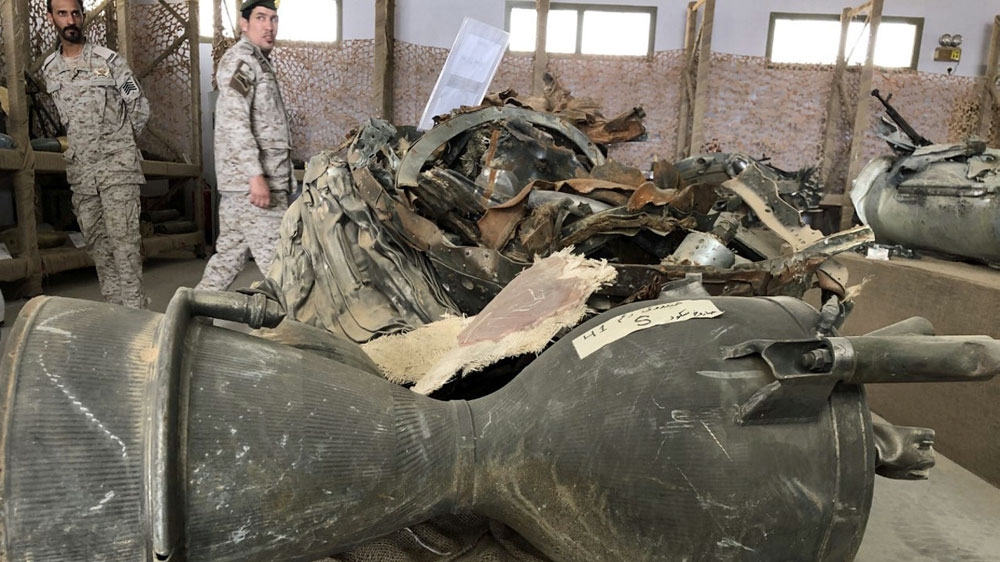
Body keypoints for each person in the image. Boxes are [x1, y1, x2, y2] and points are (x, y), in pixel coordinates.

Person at [42, 0, 150, 309]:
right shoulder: (50, 69)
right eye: (62, 14)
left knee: (125, 248)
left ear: (83, 15)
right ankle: (116, 316)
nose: (70, 20)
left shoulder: (109, 61)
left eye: (75, 13)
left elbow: (139, 108)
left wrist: (120, 146)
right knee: (99, 248)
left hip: (117, 169)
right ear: (52, 18)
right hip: (82, 175)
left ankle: (136, 320)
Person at [196, 0, 294, 292]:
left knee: (226, 262)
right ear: (244, 23)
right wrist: (255, 176)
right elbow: (234, 121)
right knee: (285, 271)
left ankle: (186, 314)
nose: (269, 26)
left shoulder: (259, 62)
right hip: (254, 190)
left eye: (274, 19)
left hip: (248, 187)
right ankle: (298, 326)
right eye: (261, 18)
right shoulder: (242, 60)